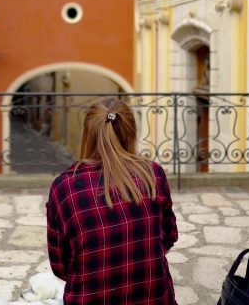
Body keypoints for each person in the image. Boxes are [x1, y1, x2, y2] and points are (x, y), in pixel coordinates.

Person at [46, 98, 178, 304]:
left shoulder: (64, 188)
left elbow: (60, 267)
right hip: (154, 298)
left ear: (88, 134)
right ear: (132, 132)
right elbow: (169, 237)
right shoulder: (152, 174)